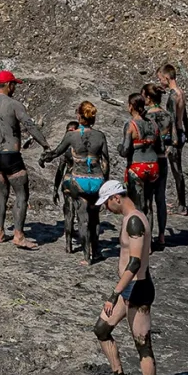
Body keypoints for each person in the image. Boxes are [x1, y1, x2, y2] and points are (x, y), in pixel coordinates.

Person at [92, 179, 163, 375]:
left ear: (116, 198)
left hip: (138, 289)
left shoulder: (134, 221)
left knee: (142, 344)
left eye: (106, 204)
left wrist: (114, 294)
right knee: (102, 328)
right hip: (128, 288)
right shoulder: (132, 218)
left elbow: (134, 262)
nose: (106, 209)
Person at [0, 70, 48, 248]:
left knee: (1, 193)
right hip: (11, 156)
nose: (15, 88)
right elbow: (29, 125)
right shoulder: (14, 104)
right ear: (9, 85)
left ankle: (0, 233)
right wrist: (45, 145)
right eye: (14, 85)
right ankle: (18, 235)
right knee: (21, 194)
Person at [42, 101, 113, 263]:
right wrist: (105, 184)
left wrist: (45, 157)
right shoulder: (100, 136)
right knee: (95, 218)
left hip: (79, 179)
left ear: (79, 116)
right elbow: (105, 162)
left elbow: (56, 152)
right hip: (97, 180)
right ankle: (97, 252)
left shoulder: (71, 136)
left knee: (83, 219)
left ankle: (87, 256)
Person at [123, 90, 170, 243]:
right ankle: (149, 243)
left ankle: (139, 241)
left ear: (131, 106)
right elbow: (161, 145)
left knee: (137, 206)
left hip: (137, 167)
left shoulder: (130, 125)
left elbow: (125, 150)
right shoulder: (153, 124)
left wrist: (119, 148)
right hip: (154, 166)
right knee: (149, 204)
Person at [155, 63, 188, 215]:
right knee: (178, 170)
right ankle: (180, 202)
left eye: (160, 79)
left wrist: (172, 142)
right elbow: (184, 115)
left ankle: (182, 206)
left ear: (166, 77)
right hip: (181, 131)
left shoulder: (172, 95)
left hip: (175, 134)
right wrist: (187, 130)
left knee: (177, 170)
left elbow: (171, 119)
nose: (160, 82)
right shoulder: (181, 93)